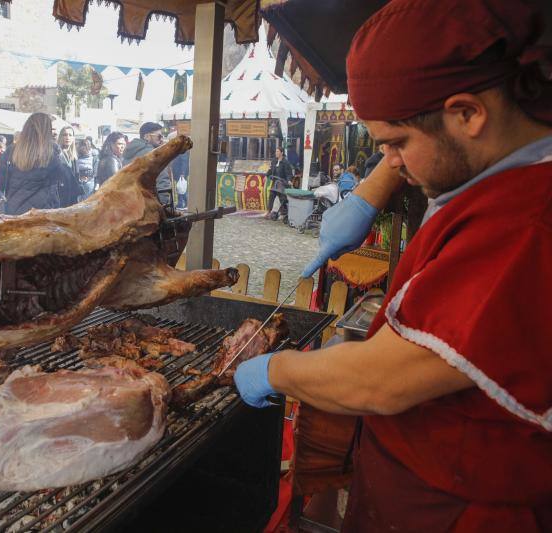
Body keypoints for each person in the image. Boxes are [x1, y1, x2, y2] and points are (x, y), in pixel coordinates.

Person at [235, 0, 552, 530]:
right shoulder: (489, 167)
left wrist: (275, 369)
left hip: (466, 510)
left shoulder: (528, 222)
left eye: (395, 144)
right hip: (413, 488)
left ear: (469, 113)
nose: (392, 160)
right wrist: (370, 191)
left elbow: (383, 381)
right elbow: (428, 135)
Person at [0, 112, 65, 215]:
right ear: (46, 130)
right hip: (43, 212)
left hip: (14, 209)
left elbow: (0, 180)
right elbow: (59, 180)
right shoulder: (52, 152)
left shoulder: (12, 150)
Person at [124, 122, 171, 205]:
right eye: (159, 136)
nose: (162, 139)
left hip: (130, 204)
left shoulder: (127, 153)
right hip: (149, 205)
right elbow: (163, 181)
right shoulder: (154, 154)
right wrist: (163, 206)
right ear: (146, 137)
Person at [265, 146, 294, 220]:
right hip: (275, 182)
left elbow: (289, 174)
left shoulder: (285, 162)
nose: (276, 153)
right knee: (271, 195)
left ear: (282, 153)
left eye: (278, 151)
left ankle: (284, 212)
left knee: (282, 198)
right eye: (276, 151)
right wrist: (266, 176)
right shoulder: (274, 161)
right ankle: (269, 212)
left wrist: (289, 180)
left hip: (282, 182)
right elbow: (271, 169)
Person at [56, 126, 80, 207]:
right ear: (60, 137)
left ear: (73, 138)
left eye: (70, 135)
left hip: (72, 196)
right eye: (65, 135)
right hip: (60, 195)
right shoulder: (56, 153)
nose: (67, 137)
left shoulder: (74, 156)